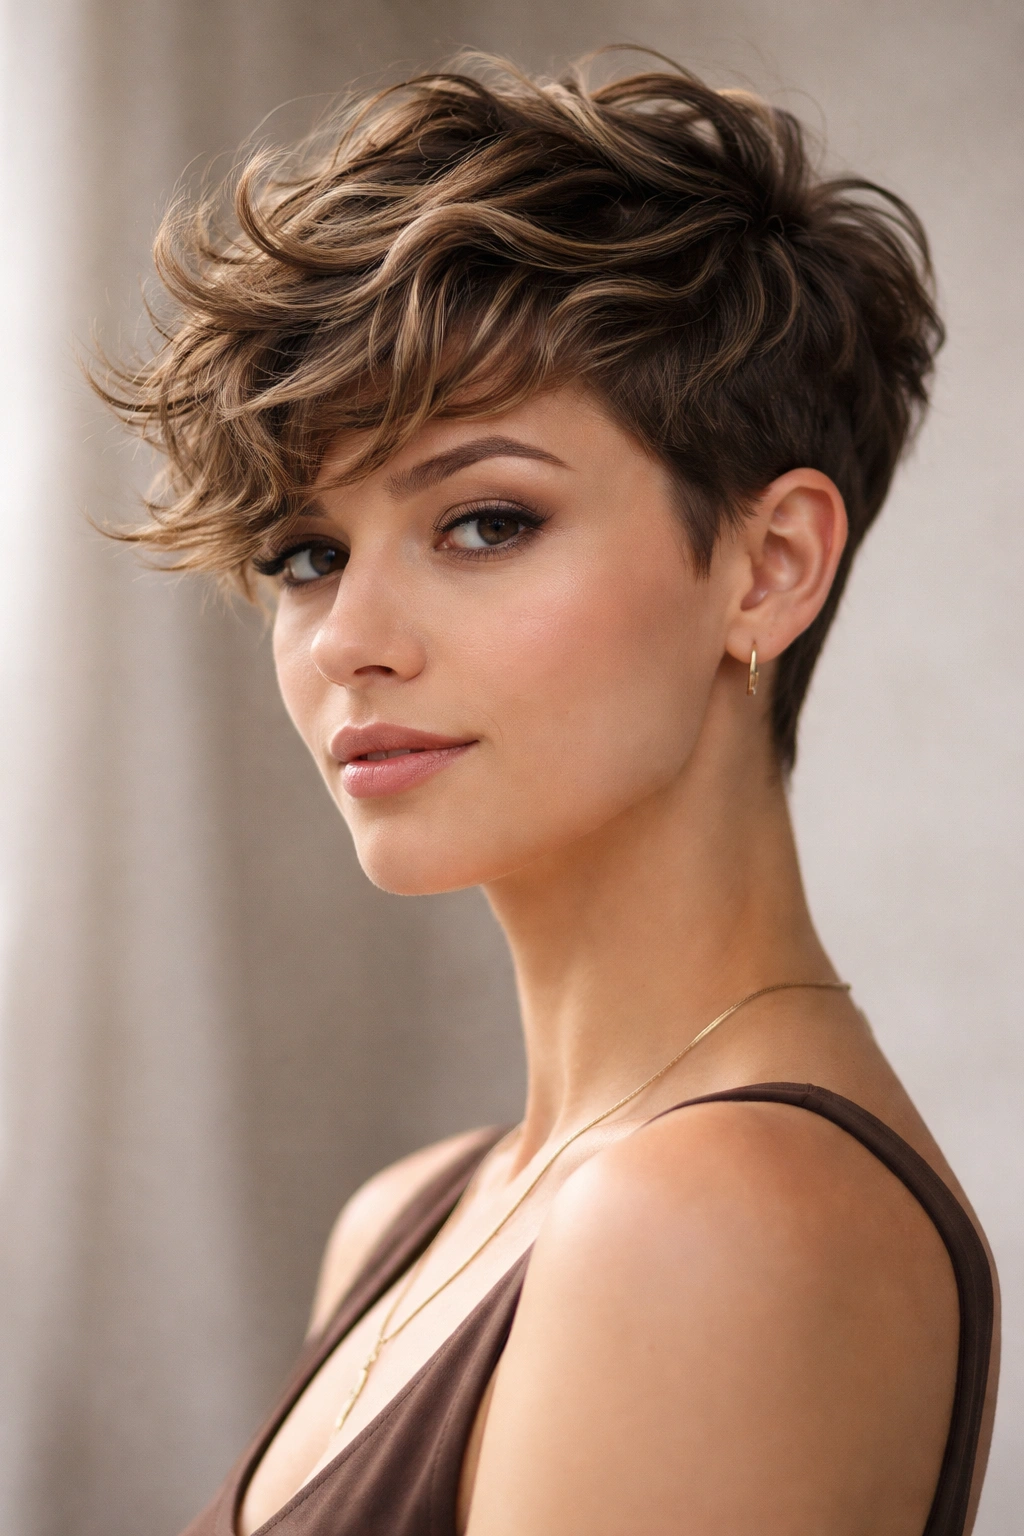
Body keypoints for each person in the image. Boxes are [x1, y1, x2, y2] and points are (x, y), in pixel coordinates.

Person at [96, 52, 998, 1536]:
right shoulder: (413, 1214)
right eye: (306, 554)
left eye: (486, 520)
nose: (349, 643)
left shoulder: (720, 1220)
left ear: (768, 566)